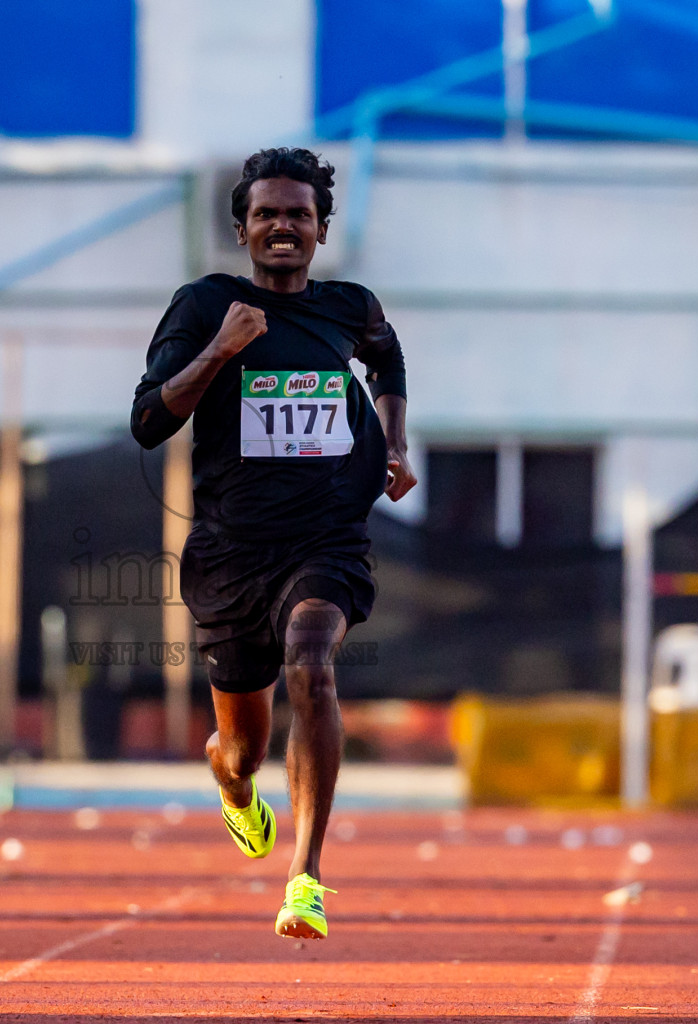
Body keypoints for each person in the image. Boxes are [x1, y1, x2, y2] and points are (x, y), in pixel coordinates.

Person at [132, 148, 415, 939]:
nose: (282, 225)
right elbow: (148, 421)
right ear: (241, 229)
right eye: (267, 214)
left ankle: (306, 876)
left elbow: (386, 353)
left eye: (298, 214)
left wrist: (393, 443)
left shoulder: (349, 306)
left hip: (327, 537)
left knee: (312, 662)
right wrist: (220, 349)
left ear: (321, 229)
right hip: (230, 552)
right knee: (242, 749)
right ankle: (231, 785)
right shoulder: (203, 305)